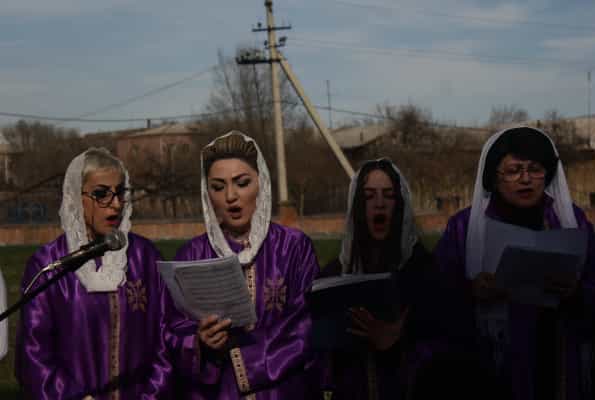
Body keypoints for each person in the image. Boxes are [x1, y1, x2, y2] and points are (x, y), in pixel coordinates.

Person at [434, 126, 595, 400]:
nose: (526, 179)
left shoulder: (571, 221)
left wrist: (577, 294)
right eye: (514, 170)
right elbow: (435, 294)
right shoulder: (464, 228)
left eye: (535, 169)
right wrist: (471, 290)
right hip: (488, 365)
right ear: (494, 176)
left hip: (555, 358)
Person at [16, 148, 178, 399]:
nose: (115, 204)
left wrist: (150, 395)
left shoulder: (145, 257)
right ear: (75, 197)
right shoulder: (49, 264)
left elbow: (166, 339)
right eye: (101, 194)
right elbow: (33, 352)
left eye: (120, 192)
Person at [173, 131, 321, 399]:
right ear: (207, 193)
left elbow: (307, 323)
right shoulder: (191, 254)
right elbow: (172, 329)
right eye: (218, 187)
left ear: (260, 183)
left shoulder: (294, 248)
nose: (231, 196)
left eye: (242, 183)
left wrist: (246, 361)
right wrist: (198, 342)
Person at [319, 158, 445, 400]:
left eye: (388, 196)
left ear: (399, 205)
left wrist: (400, 338)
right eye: (369, 196)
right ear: (357, 206)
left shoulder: (424, 270)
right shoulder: (334, 274)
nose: (379, 204)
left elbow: (445, 346)